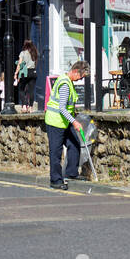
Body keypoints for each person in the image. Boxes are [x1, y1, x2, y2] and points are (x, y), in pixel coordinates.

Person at [45, 60, 89, 191]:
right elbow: (62, 108)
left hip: (65, 121)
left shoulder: (68, 81)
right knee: (56, 152)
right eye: (81, 76)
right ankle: (56, 180)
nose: (80, 79)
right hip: (55, 122)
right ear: (76, 72)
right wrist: (75, 122)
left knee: (74, 144)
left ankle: (71, 173)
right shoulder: (64, 84)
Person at [15, 42, 38, 111]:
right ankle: (30, 107)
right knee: (31, 91)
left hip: (24, 72)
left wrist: (16, 73)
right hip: (33, 72)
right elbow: (35, 64)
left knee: (21, 89)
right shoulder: (34, 53)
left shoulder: (23, 53)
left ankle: (24, 106)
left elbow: (19, 64)